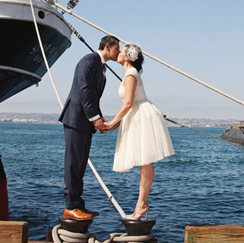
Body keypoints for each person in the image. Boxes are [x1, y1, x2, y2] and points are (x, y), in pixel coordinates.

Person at [103, 43, 174, 220]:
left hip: (141, 117)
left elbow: (128, 104)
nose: (118, 52)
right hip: (138, 116)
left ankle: (141, 205)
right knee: (145, 162)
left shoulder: (131, 74)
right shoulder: (130, 74)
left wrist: (111, 123)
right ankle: (141, 205)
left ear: (127, 57)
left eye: (122, 50)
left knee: (145, 162)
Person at [59, 35, 120, 221]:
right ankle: (70, 206)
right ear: (107, 47)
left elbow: (93, 96)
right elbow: (83, 89)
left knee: (80, 164)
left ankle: (78, 205)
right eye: (117, 48)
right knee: (73, 163)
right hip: (76, 119)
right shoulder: (89, 60)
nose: (118, 52)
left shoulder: (101, 67)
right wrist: (95, 119)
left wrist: (99, 118)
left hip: (85, 121)